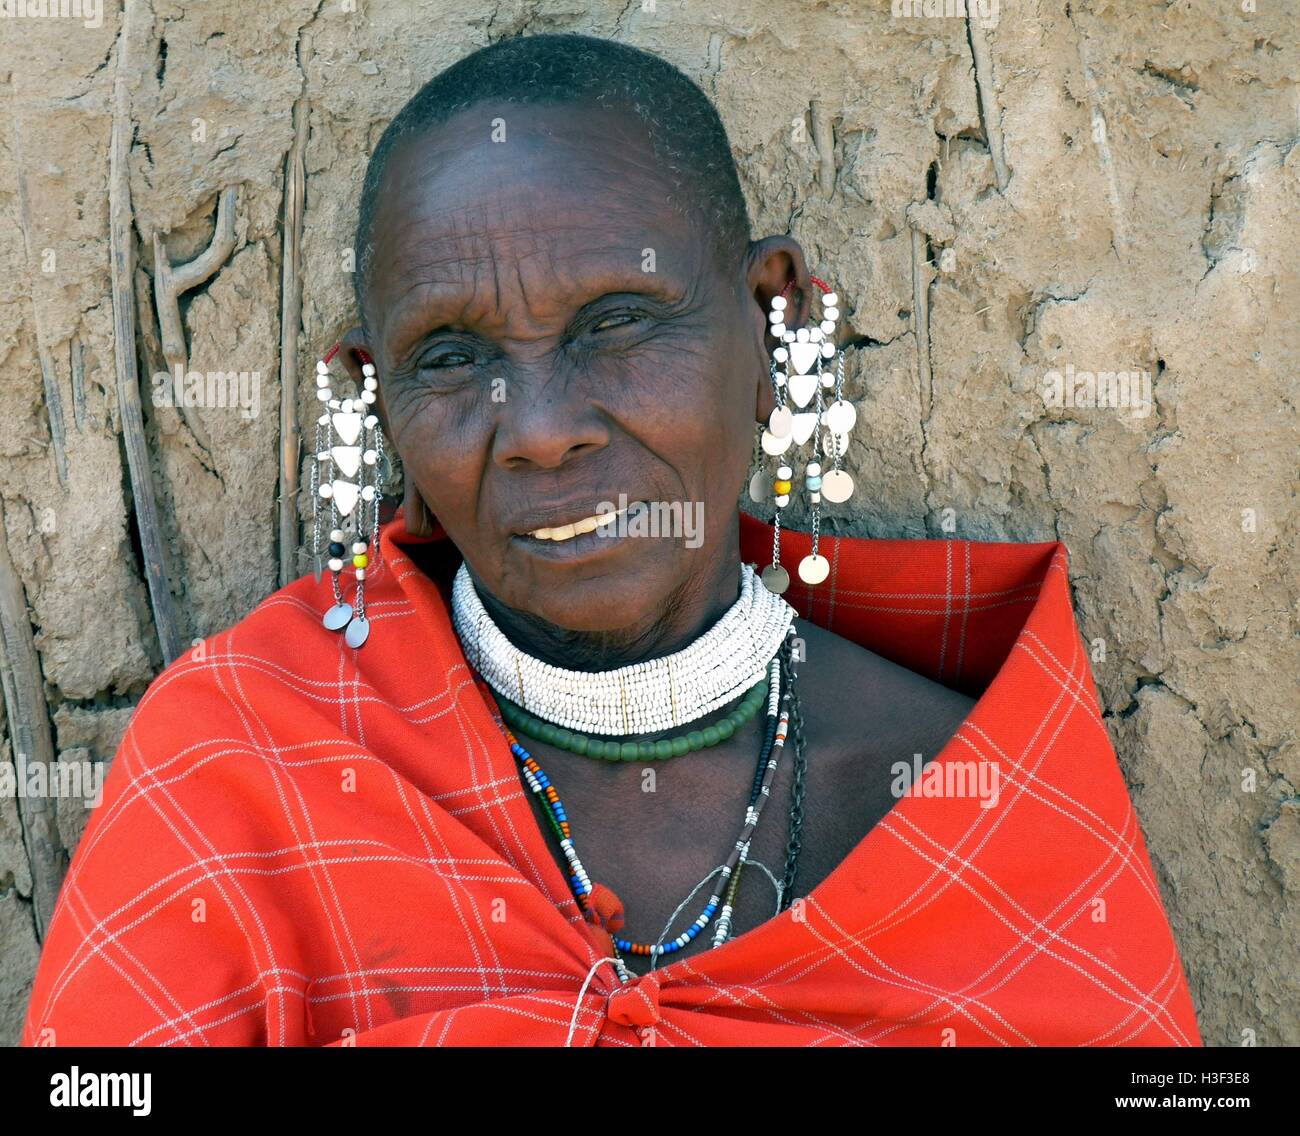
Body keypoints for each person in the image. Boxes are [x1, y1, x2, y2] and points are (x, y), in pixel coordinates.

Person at [22, 32, 1200, 1047]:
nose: (537, 431)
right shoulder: (243, 767)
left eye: (617, 322)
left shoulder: (979, 805)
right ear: (375, 398)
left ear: (773, 315)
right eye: (451, 356)